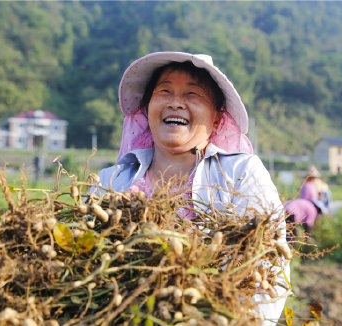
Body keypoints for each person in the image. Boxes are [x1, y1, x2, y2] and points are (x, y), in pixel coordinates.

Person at [94, 52, 290, 325]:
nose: (176, 103)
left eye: (192, 95)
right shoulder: (111, 182)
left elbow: (270, 268)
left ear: (217, 119)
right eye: (164, 91)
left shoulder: (241, 174)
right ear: (148, 106)